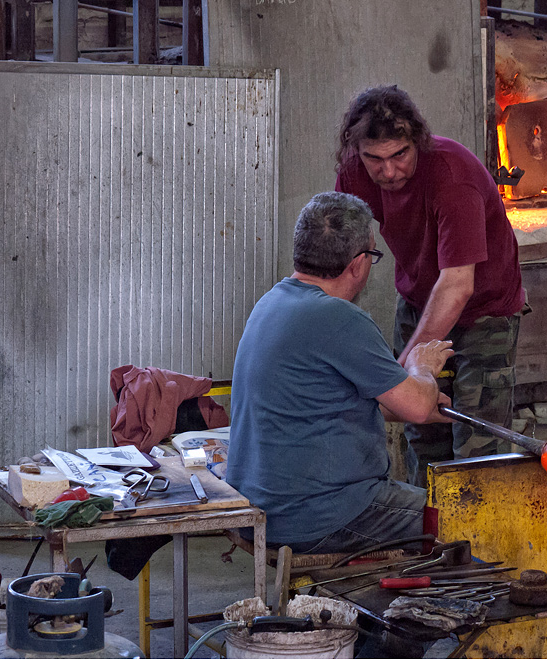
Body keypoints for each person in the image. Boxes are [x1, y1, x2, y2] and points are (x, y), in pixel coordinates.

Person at [226, 191, 453, 553]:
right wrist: (421, 368)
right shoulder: (339, 318)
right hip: (322, 516)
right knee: (470, 519)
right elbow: (417, 408)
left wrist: (417, 399)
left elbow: (331, 401)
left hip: (264, 508)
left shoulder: (273, 303)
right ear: (359, 263)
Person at [335, 85, 528, 487]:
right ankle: (429, 537)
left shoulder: (452, 177)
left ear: (417, 142)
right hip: (419, 298)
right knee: (421, 428)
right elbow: (342, 257)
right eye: (375, 159)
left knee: (477, 443)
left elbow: (457, 284)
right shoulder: (354, 171)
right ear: (358, 151)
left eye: (399, 155)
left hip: (485, 310)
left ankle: (477, 544)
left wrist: (403, 373)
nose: (388, 172)